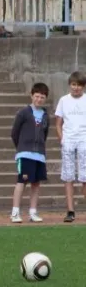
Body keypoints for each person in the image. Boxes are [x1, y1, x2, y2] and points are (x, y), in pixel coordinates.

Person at [9, 83, 50, 223]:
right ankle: (15, 212)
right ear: (32, 96)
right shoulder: (23, 113)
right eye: (37, 96)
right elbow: (14, 133)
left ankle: (33, 212)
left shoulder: (45, 115)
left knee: (36, 183)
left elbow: (45, 133)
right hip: (25, 154)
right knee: (22, 180)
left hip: (39, 155)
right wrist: (21, 148)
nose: (39, 99)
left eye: (42, 97)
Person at [55, 72, 86, 223]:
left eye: (79, 85)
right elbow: (58, 123)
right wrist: (62, 139)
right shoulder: (63, 100)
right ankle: (70, 211)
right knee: (68, 176)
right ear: (70, 85)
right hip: (69, 140)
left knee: (85, 176)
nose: (76, 88)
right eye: (74, 85)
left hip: (84, 140)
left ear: (83, 87)